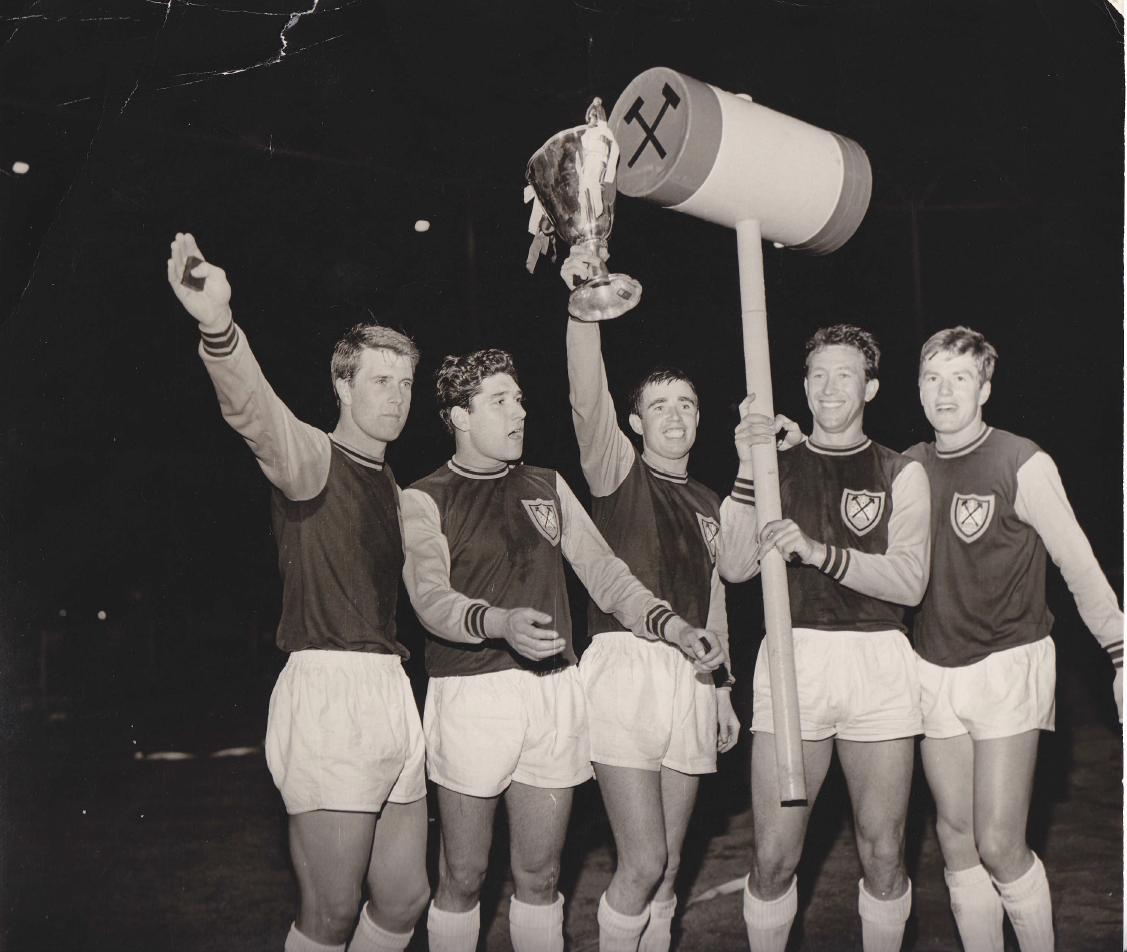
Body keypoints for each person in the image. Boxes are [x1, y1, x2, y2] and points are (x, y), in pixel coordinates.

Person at [398, 348, 724, 952]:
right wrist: (496, 621)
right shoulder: (425, 496)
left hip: (554, 690)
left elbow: (607, 573)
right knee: (464, 876)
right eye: (500, 401)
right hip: (473, 691)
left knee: (541, 876)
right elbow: (429, 596)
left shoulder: (548, 485)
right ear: (459, 416)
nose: (519, 411)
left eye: (518, 399)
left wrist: (672, 626)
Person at [166, 233, 429, 952]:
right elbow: (255, 414)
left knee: (405, 899)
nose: (396, 397)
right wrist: (217, 327)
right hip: (329, 694)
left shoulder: (391, 484)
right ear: (341, 384)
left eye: (405, 382)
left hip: (390, 688)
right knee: (331, 912)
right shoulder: (314, 458)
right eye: (380, 380)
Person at [905, 325, 1123, 952]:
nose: (946, 392)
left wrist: (1120, 649)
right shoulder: (908, 465)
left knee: (1000, 842)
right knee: (955, 835)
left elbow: (1077, 561)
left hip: (1008, 662)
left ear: (986, 388)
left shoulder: (1022, 460)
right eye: (933, 377)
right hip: (933, 666)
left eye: (961, 378)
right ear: (918, 389)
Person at [560, 260, 755, 952]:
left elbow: (726, 581)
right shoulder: (616, 473)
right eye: (660, 406)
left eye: (687, 405)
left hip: (692, 678)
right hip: (625, 667)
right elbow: (588, 401)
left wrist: (723, 689)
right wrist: (583, 317)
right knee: (640, 862)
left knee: (669, 868)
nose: (675, 415)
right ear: (637, 422)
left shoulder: (708, 499)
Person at [728, 324, 931, 952]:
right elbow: (735, 564)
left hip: (877, 658)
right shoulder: (774, 465)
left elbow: (910, 580)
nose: (829, 386)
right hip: (796, 654)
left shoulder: (901, 471)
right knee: (774, 858)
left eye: (845, 374)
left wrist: (819, 552)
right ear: (804, 385)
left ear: (869, 386)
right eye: (818, 374)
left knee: (883, 851)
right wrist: (744, 463)